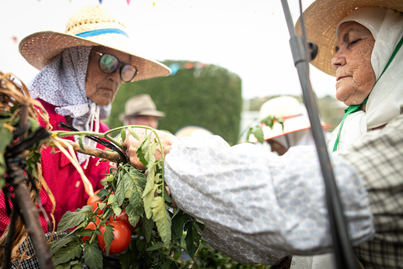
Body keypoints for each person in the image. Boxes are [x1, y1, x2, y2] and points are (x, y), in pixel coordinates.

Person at [124, 1, 403, 268]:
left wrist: (177, 157)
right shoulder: (354, 129)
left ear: (393, 49)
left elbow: (305, 199)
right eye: (336, 46)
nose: (335, 59)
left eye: (352, 42)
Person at [0, 4, 170, 265]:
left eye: (124, 69)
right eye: (107, 61)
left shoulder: (103, 136)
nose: (115, 77)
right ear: (75, 59)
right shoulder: (28, 125)